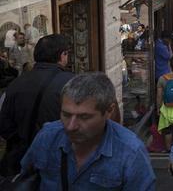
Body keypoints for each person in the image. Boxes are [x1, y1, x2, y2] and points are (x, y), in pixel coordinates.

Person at [22, 73, 155, 189]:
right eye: (66, 115)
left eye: (84, 117)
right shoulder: (48, 136)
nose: (71, 126)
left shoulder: (131, 153)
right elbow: (26, 176)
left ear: (109, 111)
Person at [0, 34, 74, 177]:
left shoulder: (16, 84)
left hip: (24, 161)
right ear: (62, 55)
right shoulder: (71, 83)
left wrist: (24, 140)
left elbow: (4, 125)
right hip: (58, 161)